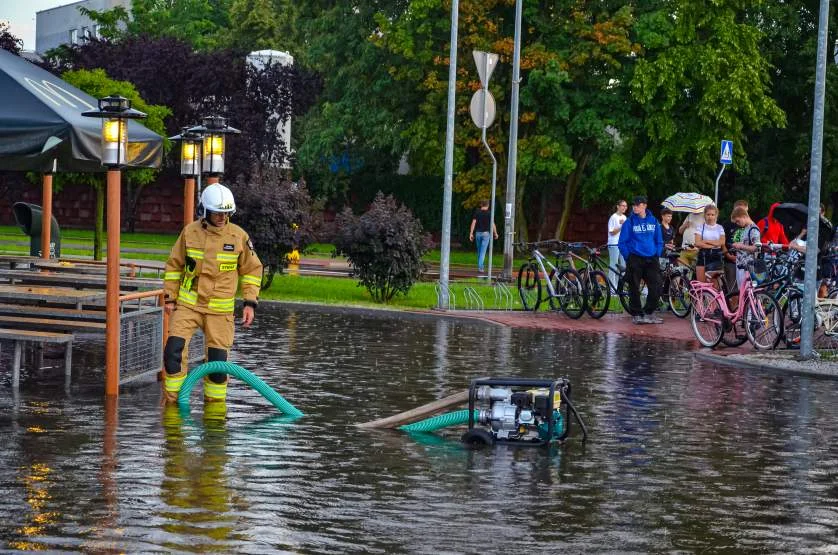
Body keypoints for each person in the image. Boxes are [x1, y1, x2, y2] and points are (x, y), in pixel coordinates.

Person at [162, 183, 263, 404]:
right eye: (217, 212)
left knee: (218, 367)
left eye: (226, 213)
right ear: (205, 211)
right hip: (188, 306)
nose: (222, 217)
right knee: (173, 353)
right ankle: (174, 406)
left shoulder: (238, 237)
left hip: (220, 312)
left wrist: (249, 303)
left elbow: (253, 270)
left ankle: (215, 417)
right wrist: (169, 297)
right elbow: (174, 265)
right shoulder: (190, 232)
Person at [618, 195, 664, 324]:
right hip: (635, 258)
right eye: (633, 205)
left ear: (644, 205)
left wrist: (657, 253)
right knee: (634, 287)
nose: (635, 207)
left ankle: (649, 312)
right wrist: (629, 257)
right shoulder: (630, 222)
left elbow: (659, 240)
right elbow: (622, 242)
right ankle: (637, 314)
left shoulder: (654, 221)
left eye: (637, 205)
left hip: (651, 258)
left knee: (657, 285)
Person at [729, 206, 760, 290]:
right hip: (742, 265)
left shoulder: (753, 229)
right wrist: (738, 244)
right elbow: (747, 243)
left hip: (749, 267)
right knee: (742, 292)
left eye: (738, 221)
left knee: (748, 293)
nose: (737, 223)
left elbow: (757, 248)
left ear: (744, 216)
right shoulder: (746, 228)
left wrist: (741, 246)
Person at [694, 204, 725, 286]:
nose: (710, 217)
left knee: (715, 285)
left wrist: (706, 241)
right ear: (704, 215)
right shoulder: (700, 227)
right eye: (708, 214)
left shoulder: (720, 228)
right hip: (703, 255)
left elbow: (722, 242)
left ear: (716, 215)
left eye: (712, 214)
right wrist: (714, 244)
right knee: (701, 284)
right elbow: (697, 243)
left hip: (716, 255)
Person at [723, 200, 749, 294]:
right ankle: (733, 308)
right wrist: (728, 255)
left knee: (747, 289)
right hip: (730, 260)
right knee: (732, 290)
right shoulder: (727, 224)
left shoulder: (750, 226)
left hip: (746, 261)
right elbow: (722, 242)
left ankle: (744, 308)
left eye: (743, 211)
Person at [468, 200, 498, 275]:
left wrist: (471, 233)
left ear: (481, 204)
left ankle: (480, 266)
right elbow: (492, 224)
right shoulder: (490, 213)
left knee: (479, 251)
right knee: (483, 252)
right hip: (486, 234)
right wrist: (496, 233)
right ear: (488, 205)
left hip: (478, 233)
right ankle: (480, 267)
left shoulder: (477, 212)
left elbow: (473, 223)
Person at [607, 200, 628, 290]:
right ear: (618, 206)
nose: (624, 208)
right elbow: (611, 232)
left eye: (626, 206)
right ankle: (612, 287)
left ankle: (621, 286)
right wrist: (621, 226)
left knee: (623, 266)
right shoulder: (613, 217)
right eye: (622, 206)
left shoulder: (624, 217)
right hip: (614, 244)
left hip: (622, 244)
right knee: (614, 265)